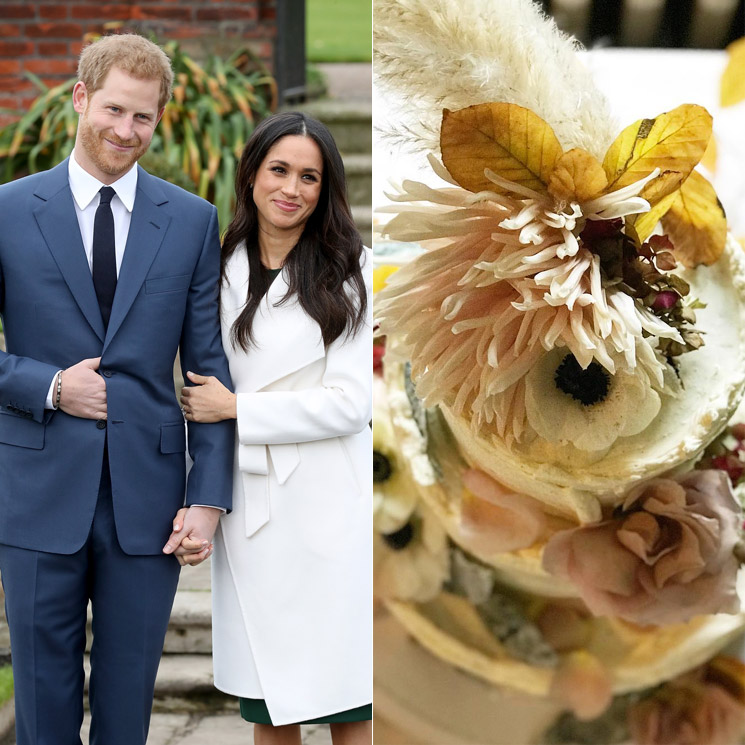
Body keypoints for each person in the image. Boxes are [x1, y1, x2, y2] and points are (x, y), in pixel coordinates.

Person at [0, 34, 234, 745]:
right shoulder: (8, 210)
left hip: (149, 497)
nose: (124, 132)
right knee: (42, 699)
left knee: (129, 701)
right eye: (113, 110)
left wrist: (208, 495)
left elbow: (209, 367)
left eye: (142, 118)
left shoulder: (191, 221)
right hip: (37, 490)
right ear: (80, 99)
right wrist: (47, 385)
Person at [178, 111, 372, 745]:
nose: (292, 188)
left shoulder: (351, 269)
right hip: (254, 511)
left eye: (309, 176)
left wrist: (240, 410)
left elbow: (351, 403)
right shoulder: (214, 266)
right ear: (253, 174)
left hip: (329, 506)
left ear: (326, 188)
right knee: (273, 703)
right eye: (280, 170)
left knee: (351, 702)